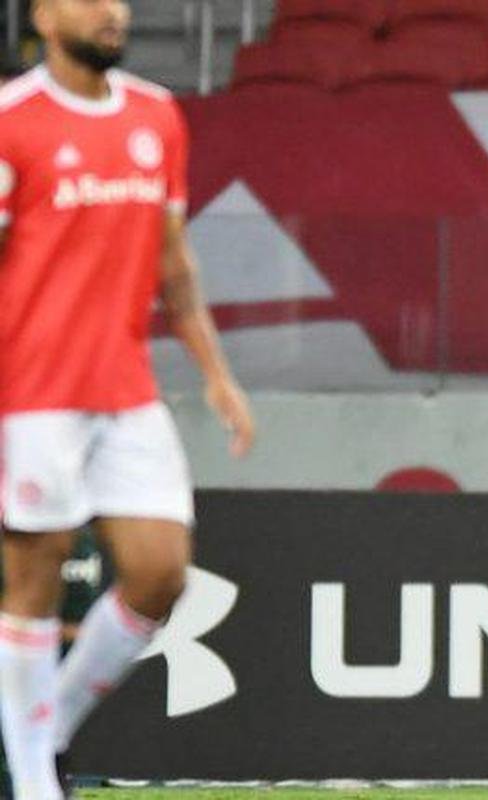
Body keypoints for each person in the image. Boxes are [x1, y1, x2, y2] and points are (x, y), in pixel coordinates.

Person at [0, 1, 255, 797]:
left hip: (126, 387)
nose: (114, 12)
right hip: (35, 393)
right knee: (34, 577)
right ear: (44, 15)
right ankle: (38, 779)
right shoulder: (13, 122)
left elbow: (172, 263)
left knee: (161, 573)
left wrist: (214, 371)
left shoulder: (156, 114)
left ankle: (43, 735)